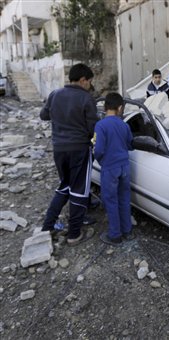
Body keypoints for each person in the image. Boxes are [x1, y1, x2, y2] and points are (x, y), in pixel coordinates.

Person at [40, 63, 98, 245]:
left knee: (65, 185)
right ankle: (74, 234)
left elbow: (44, 115)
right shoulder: (86, 98)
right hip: (79, 148)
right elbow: (92, 129)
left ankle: (48, 225)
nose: (89, 85)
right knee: (80, 190)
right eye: (89, 81)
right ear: (83, 80)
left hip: (59, 149)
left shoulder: (55, 94)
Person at [93, 92, 134, 245]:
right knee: (124, 199)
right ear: (120, 108)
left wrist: (101, 161)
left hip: (110, 168)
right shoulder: (124, 125)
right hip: (125, 166)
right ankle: (127, 231)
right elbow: (131, 144)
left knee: (111, 200)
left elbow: (98, 149)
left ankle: (115, 235)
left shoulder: (101, 125)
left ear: (105, 107)